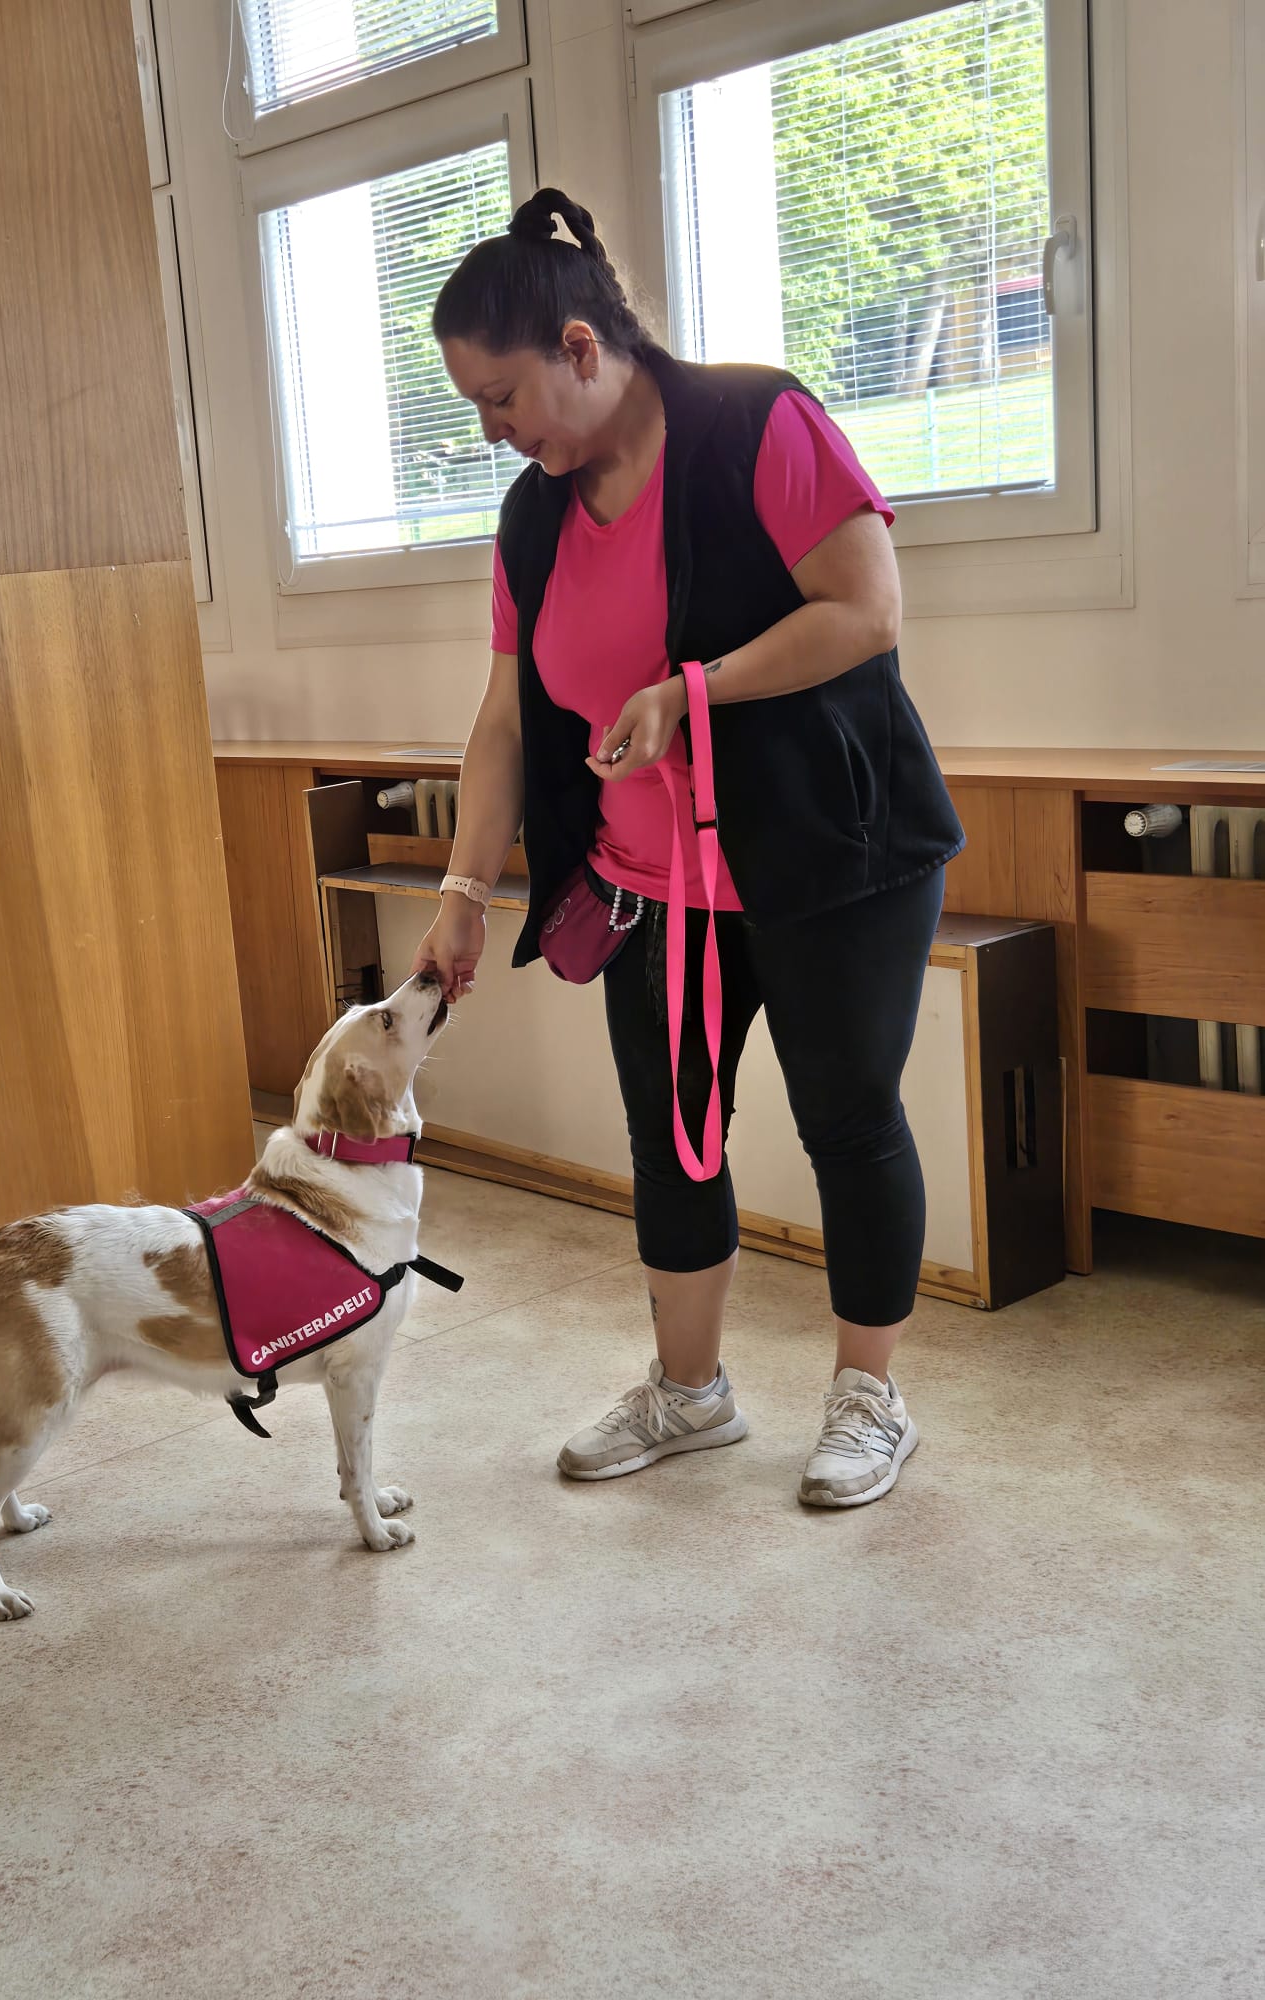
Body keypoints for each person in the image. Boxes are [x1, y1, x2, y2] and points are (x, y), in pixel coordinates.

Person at [412, 190, 964, 1507]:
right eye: (476, 408)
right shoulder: (532, 519)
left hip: (830, 857)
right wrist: (462, 890)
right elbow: (506, 718)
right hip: (653, 890)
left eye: (501, 398)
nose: (493, 431)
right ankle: (690, 1393)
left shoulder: (755, 422)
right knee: (675, 1138)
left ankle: (870, 1399)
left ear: (580, 349)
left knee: (848, 1122)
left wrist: (693, 692)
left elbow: (866, 609)